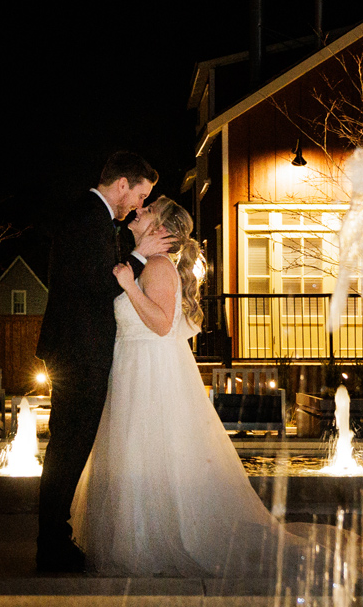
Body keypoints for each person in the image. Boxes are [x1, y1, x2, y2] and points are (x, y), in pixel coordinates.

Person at [71, 196, 316, 576]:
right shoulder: (147, 261)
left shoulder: (157, 267)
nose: (139, 211)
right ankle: (137, 539)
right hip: (133, 366)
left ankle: (149, 545)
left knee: (146, 451)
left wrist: (127, 286)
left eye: (147, 210)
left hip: (149, 371)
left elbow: (162, 323)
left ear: (162, 230)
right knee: (135, 453)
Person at [33, 152, 169, 575]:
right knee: (68, 449)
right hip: (79, 353)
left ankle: (56, 537)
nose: (138, 205)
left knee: (69, 448)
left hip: (78, 350)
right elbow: (97, 283)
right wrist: (141, 254)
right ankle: (52, 545)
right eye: (141, 194)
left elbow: (98, 270)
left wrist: (132, 246)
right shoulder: (88, 217)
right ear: (123, 184)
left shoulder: (92, 217)